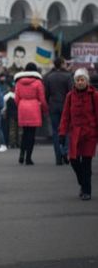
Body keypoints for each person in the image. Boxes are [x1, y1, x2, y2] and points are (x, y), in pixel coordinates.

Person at [58, 68, 98, 201]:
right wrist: (62, 133)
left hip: (89, 134)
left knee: (86, 163)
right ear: (74, 82)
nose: (80, 82)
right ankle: (82, 183)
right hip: (75, 134)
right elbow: (65, 116)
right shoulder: (70, 96)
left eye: (82, 80)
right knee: (73, 160)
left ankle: (87, 190)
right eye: (77, 80)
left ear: (87, 81)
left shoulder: (94, 95)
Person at [14, 62, 48, 165]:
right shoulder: (38, 82)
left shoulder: (19, 82)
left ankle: (21, 154)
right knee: (31, 134)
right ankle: (28, 158)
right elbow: (42, 98)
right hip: (34, 107)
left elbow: (16, 98)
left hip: (22, 107)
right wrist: (45, 109)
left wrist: (20, 105)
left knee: (24, 133)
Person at [44, 57, 72, 165]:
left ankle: (58, 156)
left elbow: (46, 94)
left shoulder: (49, 77)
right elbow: (71, 92)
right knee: (66, 130)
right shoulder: (68, 76)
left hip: (53, 106)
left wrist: (49, 103)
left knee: (56, 131)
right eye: (64, 63)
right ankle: (65, 151)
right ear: (61, 64)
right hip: (66, 106)